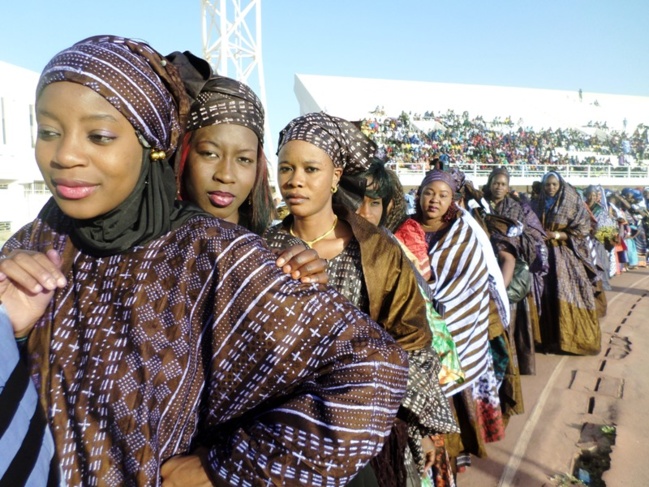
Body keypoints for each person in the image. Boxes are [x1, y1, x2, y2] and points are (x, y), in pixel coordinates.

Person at [0, 36, 409, 486]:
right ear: (183, 154)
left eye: (98, 135)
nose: (65, 155)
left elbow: (372, 365)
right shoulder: (34, 246)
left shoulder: (222, 256)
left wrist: (228, 469)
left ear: (154, 143)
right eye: (49, 132)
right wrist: (9, 330)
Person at [263, 112, 459, 487]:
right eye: (286, 168)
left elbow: (412, 341)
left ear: (336, 175)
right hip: (281, 430)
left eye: (310, 168)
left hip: (367, 428)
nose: (295, 180)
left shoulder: (376, 250)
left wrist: (420, 421)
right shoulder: (263, 248)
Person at [173, 65, 327, 282]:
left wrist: (310, 289)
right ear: (184, 154)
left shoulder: (279, 254)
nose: (226, 175)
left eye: (244, 159)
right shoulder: (148, 246)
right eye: (210, 154)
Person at [414, 169, 508, 471]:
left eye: (443, 195)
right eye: (430, 193)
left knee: (453, 395)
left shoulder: (462, 232)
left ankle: (454, 457)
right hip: (414, 321)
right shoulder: (404, 227)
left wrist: (437, 304)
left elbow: (471, 281)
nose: (434, 200)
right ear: (419, 194)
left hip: (456, 326)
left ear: (453, 200)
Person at [483, 167, 548, 375]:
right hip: (484, 261)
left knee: (506, 314)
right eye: (496, 182)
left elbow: (510, 240)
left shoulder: (513, 207)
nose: (499, 187)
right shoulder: (480, 203)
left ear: (508, 187)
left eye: (503, 184)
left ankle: (508, 364)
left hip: (506, 264)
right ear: (490, 182)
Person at [531, 172, 601, 355]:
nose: (551, 188)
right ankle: (548, 340)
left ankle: (571, 341)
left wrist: (556, 235)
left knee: (567, 292)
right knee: (545, 295)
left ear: (560, 185)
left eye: (554, 184)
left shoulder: (570, 201)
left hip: (564, 255)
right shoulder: (538, 202)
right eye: (547, 185)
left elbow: (583, 228)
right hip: (543, 254)